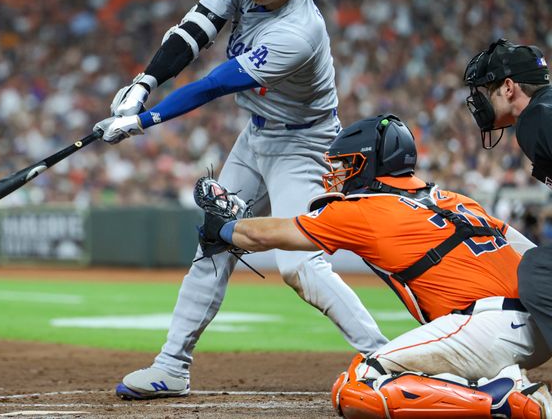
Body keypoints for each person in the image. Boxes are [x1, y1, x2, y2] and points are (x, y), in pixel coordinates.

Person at [95, 0, 388, 400]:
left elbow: (215, 84)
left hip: (305, 146)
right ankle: (171, 367)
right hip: (255, 138)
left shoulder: (300, 31)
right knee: (212, 242)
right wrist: (144, 82)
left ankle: (385, 359)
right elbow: (194, 30)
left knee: (300, 267)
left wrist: (144, 121)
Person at [198, 113, 551, 418]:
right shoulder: (458, 200)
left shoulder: (363, 209)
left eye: (346, 164)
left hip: (488, 328)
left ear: (368, 164)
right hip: (539, 321)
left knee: (359, 386)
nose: (337, 175)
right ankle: (493, 381)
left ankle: (502, 400)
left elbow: (272, 234)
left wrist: (226, 228)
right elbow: (531, 253)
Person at [463, 39, 552, 358]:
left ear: (509, 87)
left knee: (537, 271)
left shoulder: (537, 118)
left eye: (488, 90)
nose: (482, 101)